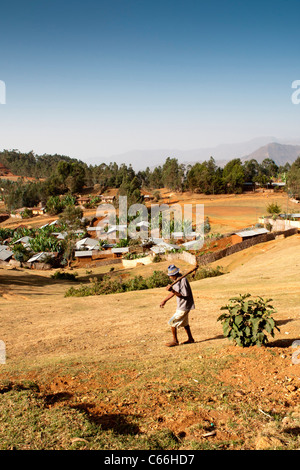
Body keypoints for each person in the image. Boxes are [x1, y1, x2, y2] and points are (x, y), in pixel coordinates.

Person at [160, 264, 195, 347]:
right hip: (182, 306)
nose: (170, 277)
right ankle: (190, 339)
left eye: (170, 276)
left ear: (174, 275)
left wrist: (172, 290)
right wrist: (164, 300)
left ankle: (175, 341)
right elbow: (173, 292)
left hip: (184, 306)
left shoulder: (183, 281)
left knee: (172, 322)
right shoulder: (177, 280)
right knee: (185, 323)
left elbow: (183, 295)